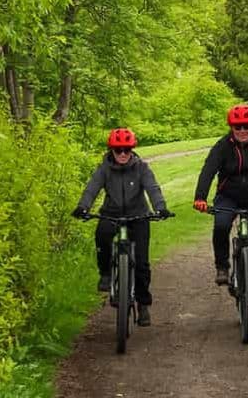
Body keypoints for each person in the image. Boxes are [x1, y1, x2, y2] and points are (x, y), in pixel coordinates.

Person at [72, 128, 173, 327]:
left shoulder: (141, 167)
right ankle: (106, 274)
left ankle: (143, 304)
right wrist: (83, 206)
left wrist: (160, 208)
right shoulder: (104, 168)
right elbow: (92, 187)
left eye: (127, 150)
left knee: (142, 264)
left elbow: (152, 188)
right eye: (119, 150)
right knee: (102, 236)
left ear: (132, 150)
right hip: (111, 214)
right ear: (112, 151)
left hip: (138, 215)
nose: (123, 154)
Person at [193, 104, 248, 309]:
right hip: (228, 197)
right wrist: (200, 197)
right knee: (222, 225)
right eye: (238, 127)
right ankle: (222, 267)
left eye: (246, 126)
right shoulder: (222, 146)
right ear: (231, 128)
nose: (242, 131)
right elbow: (208, 170)